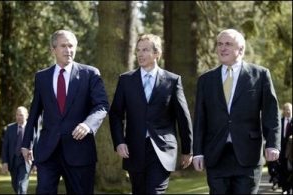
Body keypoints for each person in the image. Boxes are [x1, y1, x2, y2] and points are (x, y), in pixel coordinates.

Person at [192, 29, 281, 194]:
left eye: (228, 44)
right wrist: (197, 152)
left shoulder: (260, 75)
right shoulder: (206, 80)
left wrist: (273, 144)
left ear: (241, 49)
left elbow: (271, 113)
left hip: (248, 155)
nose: (222, 48)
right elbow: (199, 119)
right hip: (216, 155)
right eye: (219, 44)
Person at [21, 29, 109, 194]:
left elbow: (102, 105)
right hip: (48, 151)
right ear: (53, 49)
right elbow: (34, 113)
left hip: (80, 151)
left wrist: (88, 125)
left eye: (71, 46)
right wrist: (27, 143)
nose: (68, 50)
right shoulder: (42, 77)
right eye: (63, 46)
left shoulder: (90, 74)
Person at [109, 34, 193, 194]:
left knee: (155, 192)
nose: (140, 54)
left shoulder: (172, 80)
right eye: (138, 50)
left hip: (162, 149)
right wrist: (119, 142)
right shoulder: (126, 80)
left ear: (156, 53)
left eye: (145, 50)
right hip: (134, 149)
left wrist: (187, 150)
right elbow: (116, 114)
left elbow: (183, 117)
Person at [1, 106, 33, 194]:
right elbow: (5, 147)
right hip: (13, 161)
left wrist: (36, 161)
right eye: (17, 115)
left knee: (22, 187)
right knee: (16, 186)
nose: (18, 117)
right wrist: (5, 162)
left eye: (21, 115)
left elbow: (37, 145)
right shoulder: (10, 128)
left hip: (25, 161)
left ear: (27, 116)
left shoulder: (32, 128)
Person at [279, 102, 292, 194]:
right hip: (282, 150)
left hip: (291, 151)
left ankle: (290, 188)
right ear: (283, 111)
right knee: (283, 169)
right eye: (286, 109)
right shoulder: (280, 121)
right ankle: (285, 189)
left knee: (291, 170)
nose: (288, 111)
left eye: (289, 109)